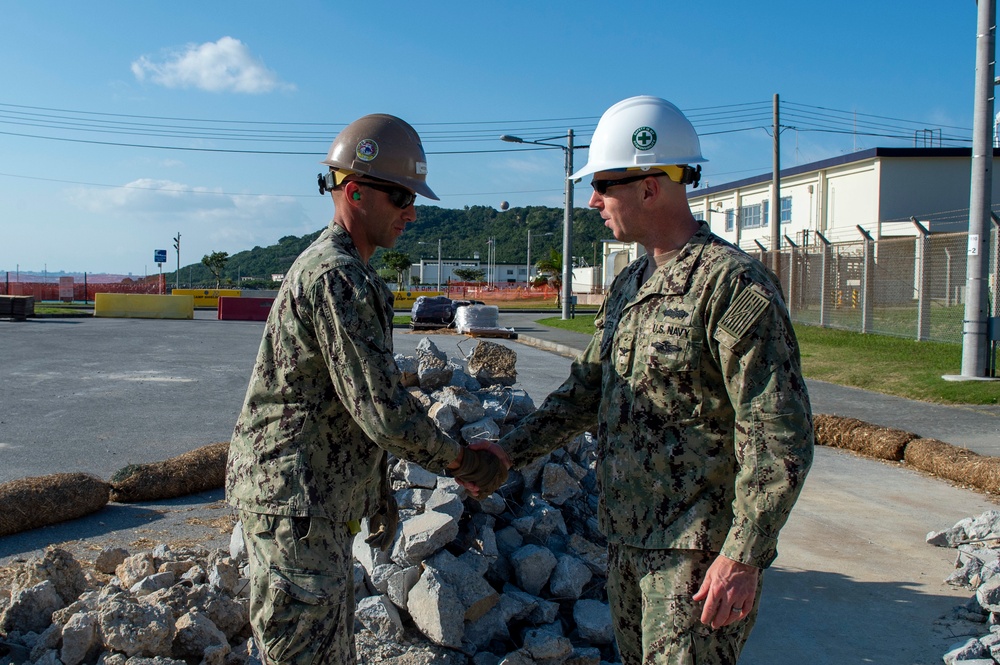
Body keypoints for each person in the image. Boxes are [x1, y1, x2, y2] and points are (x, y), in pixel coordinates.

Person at [489, 96, 814, 665]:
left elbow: (778, 436)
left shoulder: (732, 286)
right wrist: (504, 455)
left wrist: (743, 556)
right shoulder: (629, 284)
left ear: (650, 186)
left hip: (697, 552)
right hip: (627, 542)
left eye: (604, 185)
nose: (592, 201)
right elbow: (584, 392)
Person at [226, 113, 507, 665]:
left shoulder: (349, 272)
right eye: (400, 195)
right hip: (295, 505)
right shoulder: (337, 277)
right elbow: (382, 411)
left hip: (314, 501)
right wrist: (465, 464)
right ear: (354, 191)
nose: (412, 212)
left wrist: (373, 488)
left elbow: (348, 406)